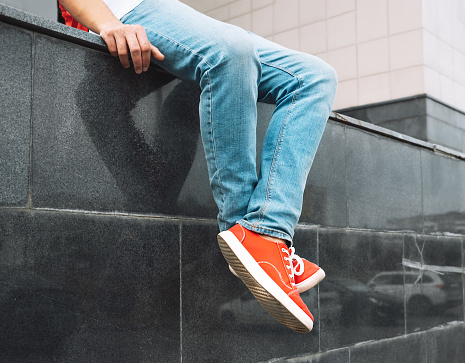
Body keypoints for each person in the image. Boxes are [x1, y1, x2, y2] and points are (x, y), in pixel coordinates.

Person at [59, 0, 337, 333]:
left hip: (165, 10)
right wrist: (106, 23)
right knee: (231, 52)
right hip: (123, 9)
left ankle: (268, 227)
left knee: (315, 77)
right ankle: (247, 232)